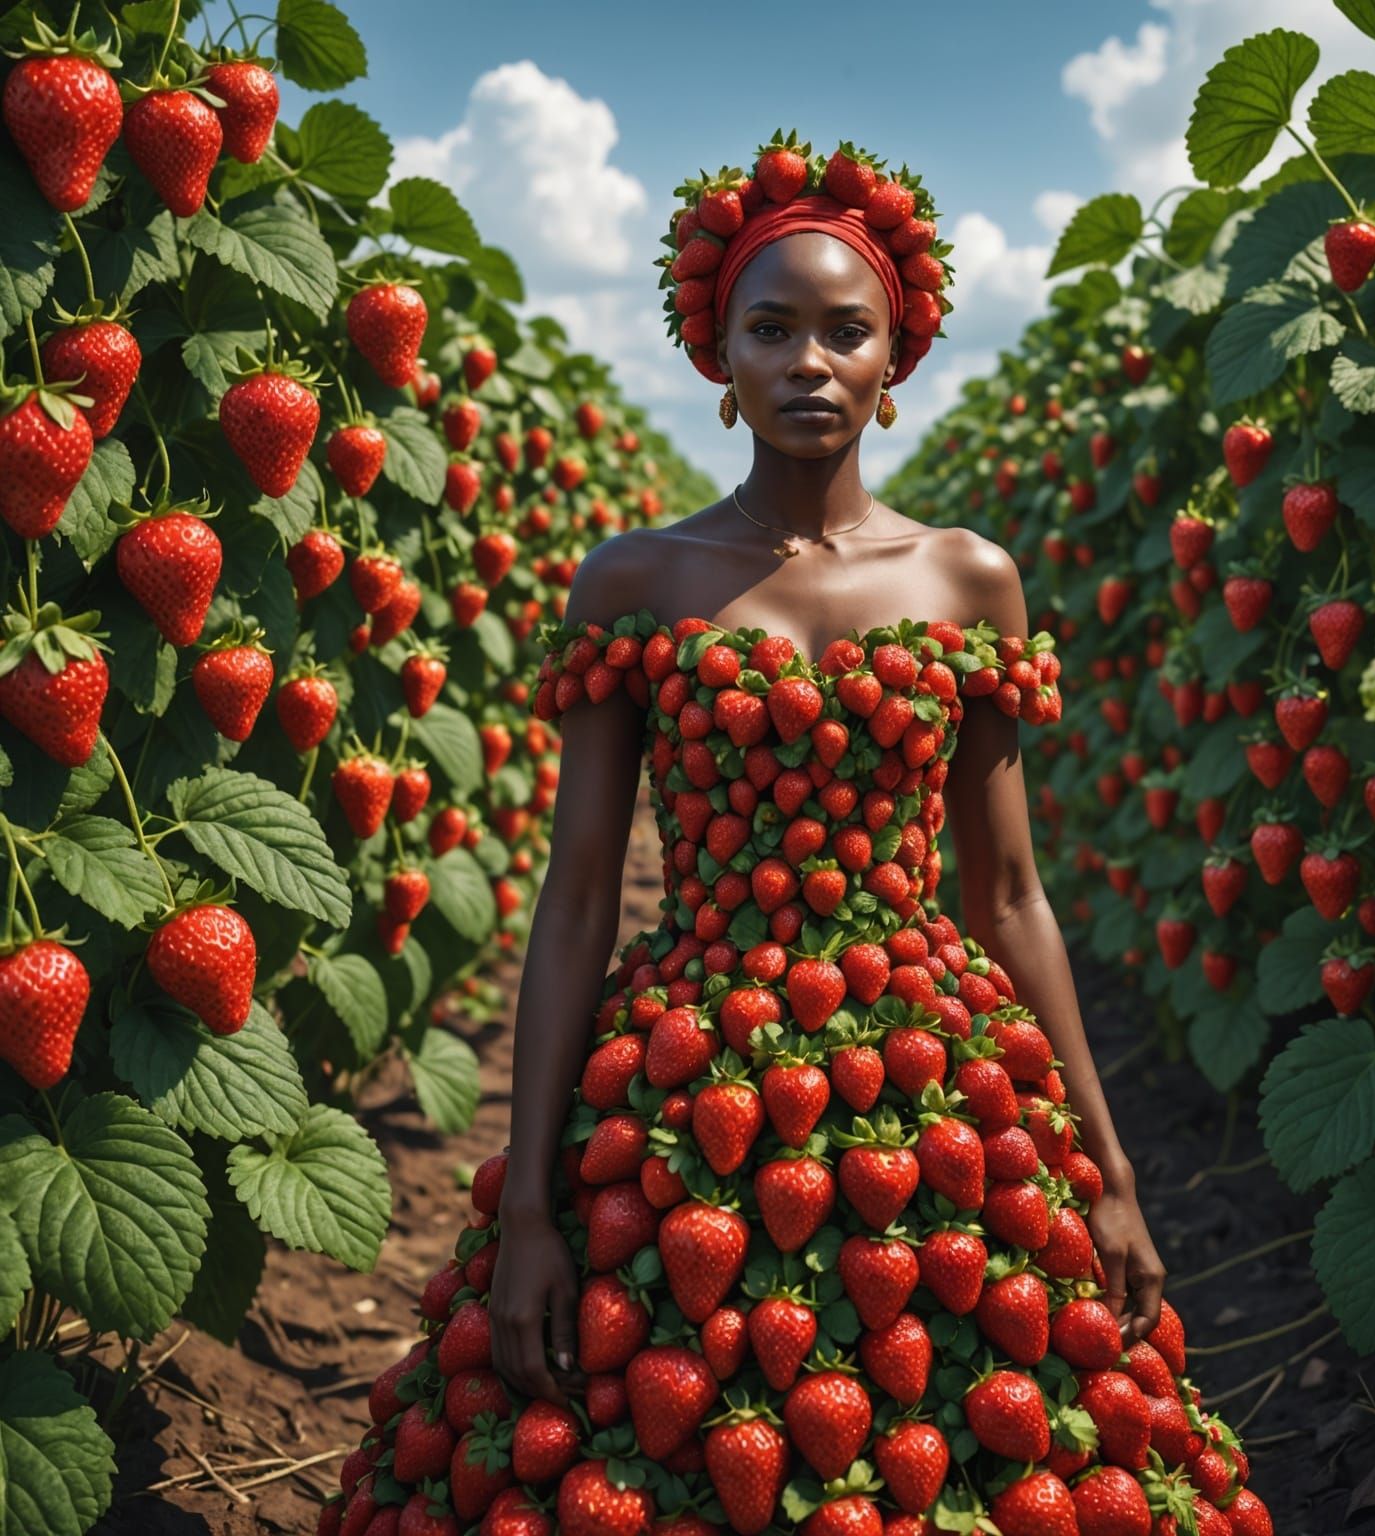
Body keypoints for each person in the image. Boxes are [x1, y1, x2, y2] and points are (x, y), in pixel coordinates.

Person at [323, 132, 1273, 1536]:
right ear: (719, 358)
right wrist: (528, 1202)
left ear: (898, 361)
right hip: (691, 1068)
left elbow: (1008, 894)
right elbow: (578, 902)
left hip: (933, 1069)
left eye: (848, 332)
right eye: (772, 329)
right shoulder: (636, 581)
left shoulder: (969, 579)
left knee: (1015, 1414)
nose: (810, 362)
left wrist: (1112, 1166)